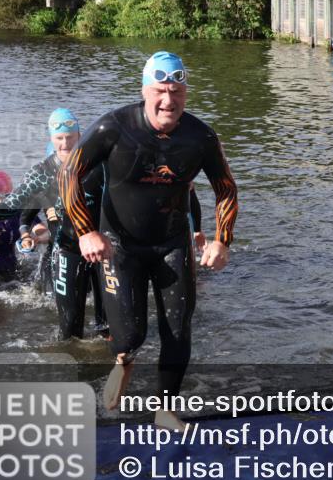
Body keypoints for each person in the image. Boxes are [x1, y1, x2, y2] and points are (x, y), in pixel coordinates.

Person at [59, 51, 238, 430]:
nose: (168, 100)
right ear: (145, 91)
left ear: (186, 94)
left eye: (176, 92)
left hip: (172, 242)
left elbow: (225, 188)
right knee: (130, 334)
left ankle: (165, 409)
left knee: (178, 327)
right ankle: (123, 359)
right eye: (160, 91)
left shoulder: (200, 136)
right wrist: (86, 230)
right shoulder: (114, 127)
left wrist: (221, 240)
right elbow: (69, 174)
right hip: (119, 244)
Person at [0, 109, 109, 339]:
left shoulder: (98, 165)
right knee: (69, 331)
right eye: (59, 138)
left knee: (109, 327)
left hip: (101, 249)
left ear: (79, 135)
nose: (65, 143)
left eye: (70, 136)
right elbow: (13, 205)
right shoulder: (42, 172)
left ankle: (111, 362)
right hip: (66, 249)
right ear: (51, 138)